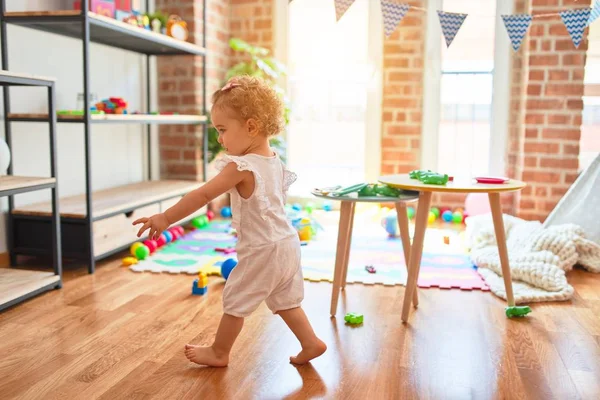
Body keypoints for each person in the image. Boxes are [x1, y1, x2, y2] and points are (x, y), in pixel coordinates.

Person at [133, 75, 326, 367]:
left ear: (251, 126)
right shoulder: (273, 159)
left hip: (263, 249)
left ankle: (219, 352)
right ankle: (310, 342)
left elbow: (202, 195)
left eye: (222, 130)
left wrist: (166, 217)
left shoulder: (241, 166)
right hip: (287, 243)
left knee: (236, 298)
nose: (220, 139)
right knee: (286, 299)